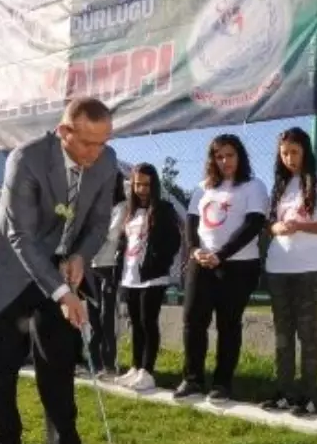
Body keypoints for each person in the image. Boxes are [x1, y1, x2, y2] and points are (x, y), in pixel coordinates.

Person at [0, 96, 118, 444]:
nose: (96, 152)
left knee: (57, 364)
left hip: (59, 269)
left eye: (104, 141)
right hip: (10, 269)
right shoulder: (26, 159)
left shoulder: (106, 162)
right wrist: (60, 292)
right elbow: (20, 236)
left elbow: (100, 221)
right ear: (64, 131)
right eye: (88, 143)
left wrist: (80, 257)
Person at [174, 134, 269, 403]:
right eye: (219, 156)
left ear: (240, 156)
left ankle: (222, 384)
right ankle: (192, 379)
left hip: (237, 267)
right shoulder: (202, 188)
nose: (225, 161)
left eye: (230, 155)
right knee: (193, 321)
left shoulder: (253, 186)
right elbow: (191, 224)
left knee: (228, 325)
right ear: (212, 160)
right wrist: (194, 251)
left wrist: (222, 255)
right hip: (200, 264)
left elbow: (253, 225)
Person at [261, 127, 317, 416]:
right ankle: (283, 392)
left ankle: (307, 397)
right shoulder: (280, 186)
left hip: (311, 270)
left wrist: (301, 226)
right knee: (283, 334)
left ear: (306, 152)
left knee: (307, 333)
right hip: (278, 269)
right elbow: (270, 224)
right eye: (284, 153)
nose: (289, 158)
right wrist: (277, 227)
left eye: (294, 152)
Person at [114, 163, 180, 392]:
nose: (141, 189)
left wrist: (157, 261)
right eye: (137, 184)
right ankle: (135, 367)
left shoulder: (164, 209)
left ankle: (148, 371)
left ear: (154, 185)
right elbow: (125, 243)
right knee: (136, 324)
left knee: (147, 322)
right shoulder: (130, 212)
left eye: (146, 185)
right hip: (130, 276)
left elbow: (173, 241)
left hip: (152, 277)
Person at [87, 173, 126, 377]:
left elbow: (111, 234)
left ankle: (109, 364)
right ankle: (94, 364)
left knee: (107, 317)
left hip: (108, 267)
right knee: (93, 318)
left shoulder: (121, 207)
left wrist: (91, 238)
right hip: (91, 266)